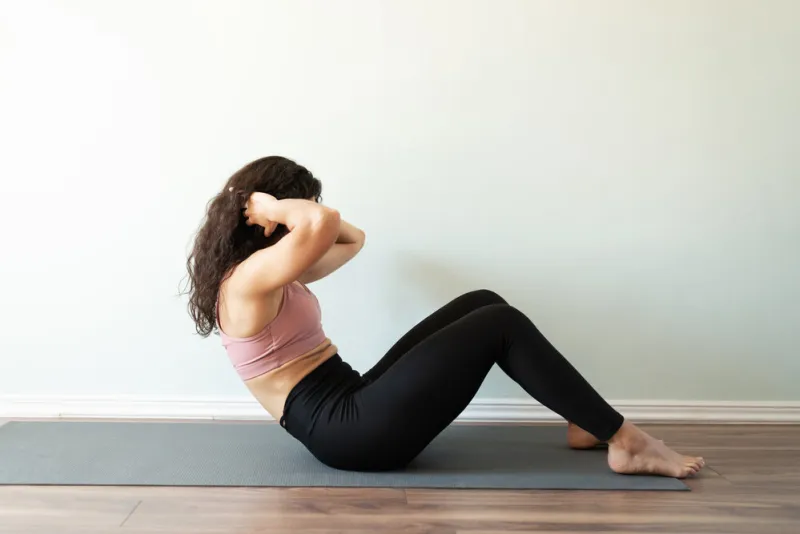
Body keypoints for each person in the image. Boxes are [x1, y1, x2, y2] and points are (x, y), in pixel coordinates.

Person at [185, 155, 705, 477]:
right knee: (500, 326)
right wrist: (276, 206)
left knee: (483, 302)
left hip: (351, 402)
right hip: (348, 434)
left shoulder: (270, 273)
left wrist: (279, 209)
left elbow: (351, 238)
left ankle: (584, 420)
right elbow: (325, 221)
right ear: (268, 215)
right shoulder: (248, 280)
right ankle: (625, 441)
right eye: (295, 206)